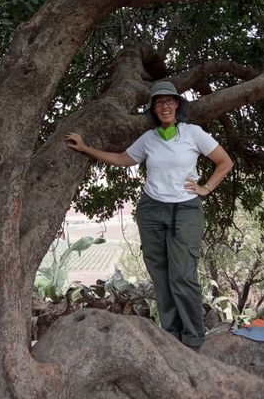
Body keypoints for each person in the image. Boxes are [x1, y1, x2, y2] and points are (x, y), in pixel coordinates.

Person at [65, 80, 233, 348]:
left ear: (177, 105)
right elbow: (122, 159)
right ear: (153, 109)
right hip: (151, 209)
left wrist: (205, 188)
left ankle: (193, 338)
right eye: (159, 102)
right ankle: (171, 335)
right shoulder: (149, 139)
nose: (164, 106)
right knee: (160, 275)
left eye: (169, 101)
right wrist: (86, 149)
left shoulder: (193, 134)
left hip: (185, 210)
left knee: (183, 275)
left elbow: (225, 163)